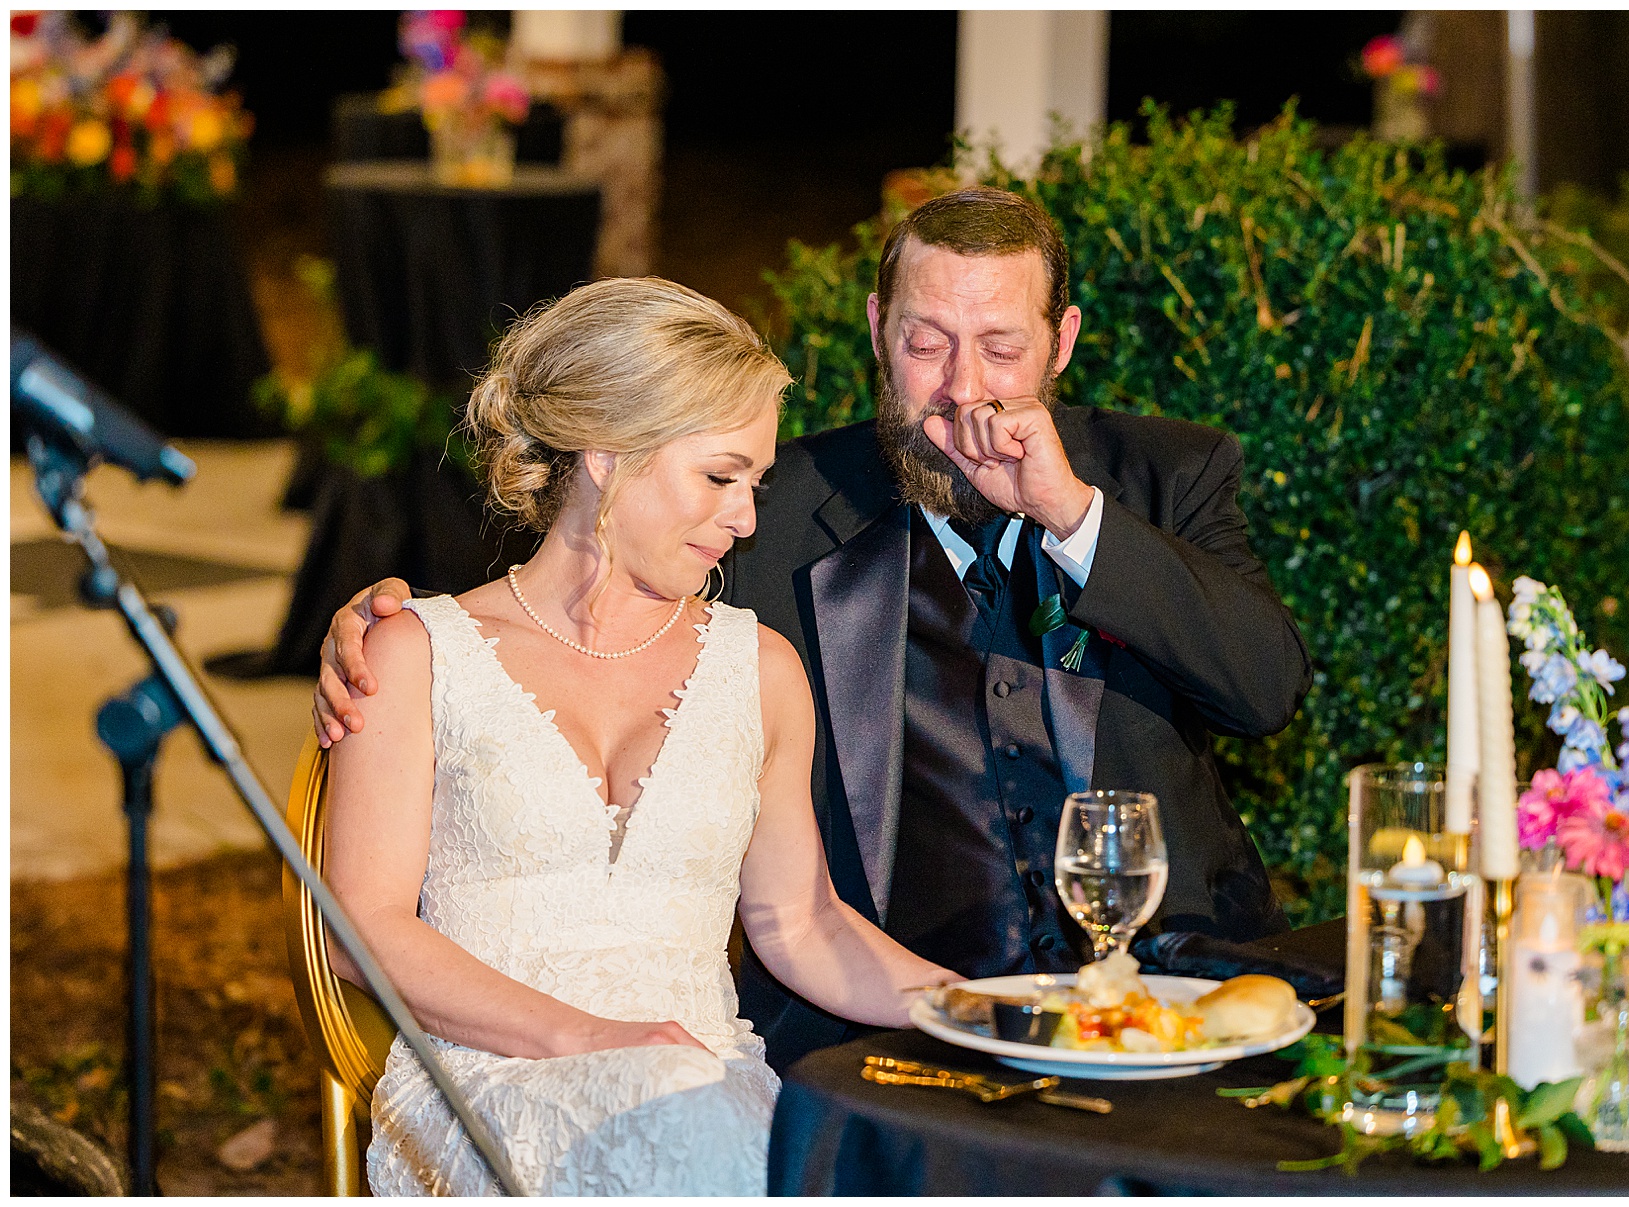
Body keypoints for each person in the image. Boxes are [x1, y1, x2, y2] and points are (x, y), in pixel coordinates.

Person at [317, 187, 1312, 1073]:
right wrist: (383, 626)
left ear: (1062, 342)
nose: (964, 387)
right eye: (926, 342)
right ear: (878, 329)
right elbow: (587, 593)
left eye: (1002, 348)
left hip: (1163, 998)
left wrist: (1072, 515)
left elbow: (1266, 689)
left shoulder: (1167, 477)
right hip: (879, 1036)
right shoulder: (777, 508)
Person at [322, 277, 953, 1196]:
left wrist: (979, 1009)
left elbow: (801, 921)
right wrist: (592, 1039)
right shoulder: (417, 654)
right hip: (486, 1088)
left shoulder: (759, 669)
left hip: (707, 1087)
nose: (745, 518)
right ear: (607, 453)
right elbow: (358, 928)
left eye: (756, 484)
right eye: (720, 476)